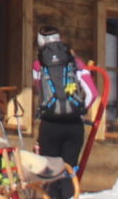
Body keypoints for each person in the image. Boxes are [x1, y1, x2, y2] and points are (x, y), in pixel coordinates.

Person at [31, 27, 93, 169]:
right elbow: (92, 94)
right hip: (74, 124)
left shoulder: (38, 65)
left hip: (49, 124)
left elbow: (40, 92)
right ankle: (70, 190)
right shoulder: (76, 63)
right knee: (69, 171)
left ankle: (51, 191)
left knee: (50, 171)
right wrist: (79, 111)